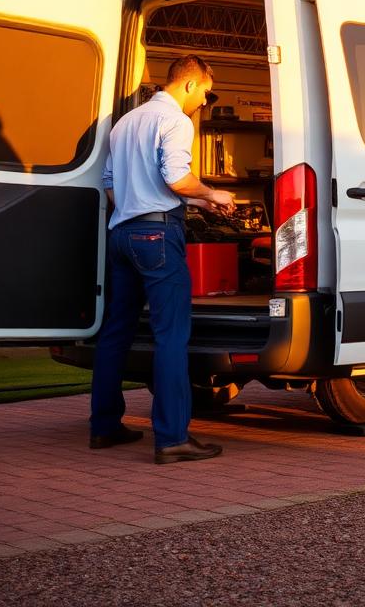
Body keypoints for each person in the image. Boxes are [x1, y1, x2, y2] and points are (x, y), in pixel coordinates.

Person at [90, 54, 235, 464]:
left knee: (115, 332)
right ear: (189, 85)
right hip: (157, 236)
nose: (204, 102)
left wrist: (189, 204)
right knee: (171, 335)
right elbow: (175, 176)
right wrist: (212, 194)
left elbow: (111, 186)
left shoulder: (125, 123)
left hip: (122, 234)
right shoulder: (176, 121)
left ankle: (104, 427)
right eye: (205, 92)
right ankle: (172, 438)